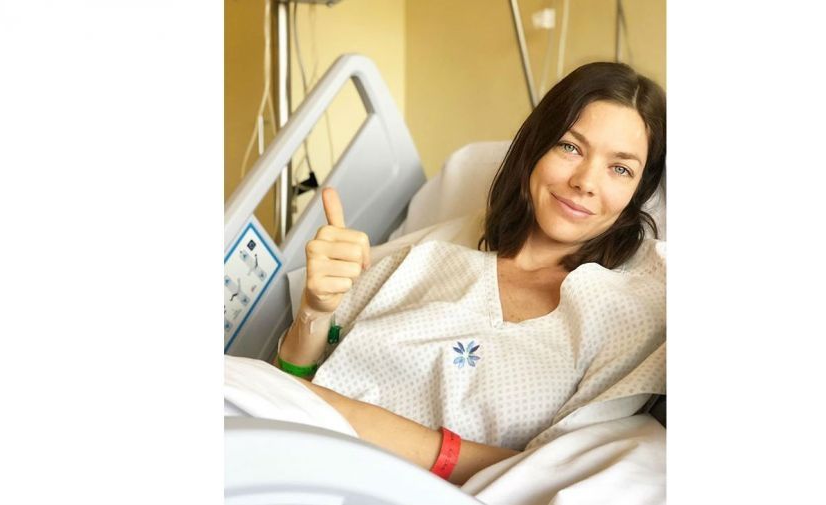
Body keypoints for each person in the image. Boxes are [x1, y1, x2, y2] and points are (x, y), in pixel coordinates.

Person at [272, 61, 666, 487]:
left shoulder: (629, 314)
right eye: (570, 147)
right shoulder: (421, 261)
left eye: (620, 169)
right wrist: (315, 310)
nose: (586, 182)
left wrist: (345, 418)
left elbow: (557, 474)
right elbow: (290, 382)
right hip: (288, 463)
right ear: (534, 148)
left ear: (637, 193)